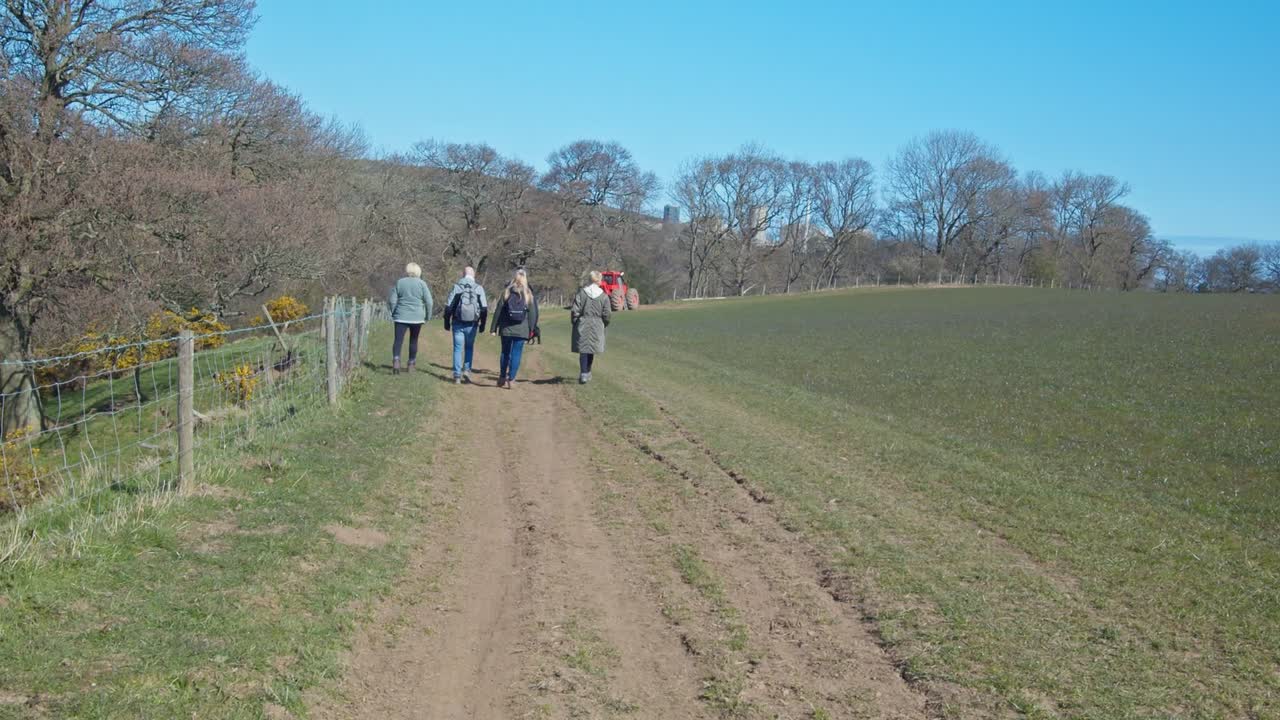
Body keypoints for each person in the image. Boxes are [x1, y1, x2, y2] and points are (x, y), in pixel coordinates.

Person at [489, 268, 539, 389]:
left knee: (505, 352)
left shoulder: (506, 292)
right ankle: (511, 379)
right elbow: (533, 314)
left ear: (514, 278)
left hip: (506, 328)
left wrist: (493, 328)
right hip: (521, 330)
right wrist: (531, 330)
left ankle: (502, 377)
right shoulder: (528, 294)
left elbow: (498, 310)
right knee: (516, 354)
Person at [443, 266, 488, 384]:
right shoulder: (479, 288)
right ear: (473, 275)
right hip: (472, 324)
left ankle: (457, 375)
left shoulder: (457, 287)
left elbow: (448, 307)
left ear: (463, 275)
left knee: (457, 348)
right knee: (469, 347)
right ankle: (467, 371)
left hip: (457, 323)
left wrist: (446, 322)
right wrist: (482, 324)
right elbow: (484, 309)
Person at [388, 262, 433, 374]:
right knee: (413, 340)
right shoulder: (422, 284)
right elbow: (429, 302)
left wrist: (393, 312)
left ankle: (396, 360)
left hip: (401, 315)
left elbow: (392, 300)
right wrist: (428, 316)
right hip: (417, 317)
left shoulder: (400, 282)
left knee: (398, 340)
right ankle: (411, 364)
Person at [570, 270, 611, 384]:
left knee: (583, 349)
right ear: (599, 280)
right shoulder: (604, 296)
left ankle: (584, 373)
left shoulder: (582, 293)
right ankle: (587, 372)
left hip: (582, 323)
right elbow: (607, 314)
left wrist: (575, 322)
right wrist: (604, 323)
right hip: (597, 324)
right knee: (591, 349)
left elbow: (575, 310)